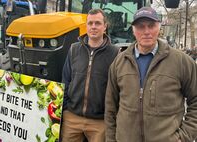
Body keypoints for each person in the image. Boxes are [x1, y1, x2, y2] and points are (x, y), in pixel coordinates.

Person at [105, 7, 197, 142]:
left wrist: (185, 136)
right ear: (134, 30)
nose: (146, 31)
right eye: (141, 26)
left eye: (151, 26)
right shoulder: (119, 62)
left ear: (159, 28)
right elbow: (110, 107)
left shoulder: (182, 62)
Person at [61, 8, 118, 142]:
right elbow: (65, 80)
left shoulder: (115, 53)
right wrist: (65, 110)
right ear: (86, 26)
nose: (93, 27)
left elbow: (117, 88)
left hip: (99, 121)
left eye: (97, 23)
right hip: (72, 117)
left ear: (105, 26)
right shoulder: (74, 49)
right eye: (90, 23)